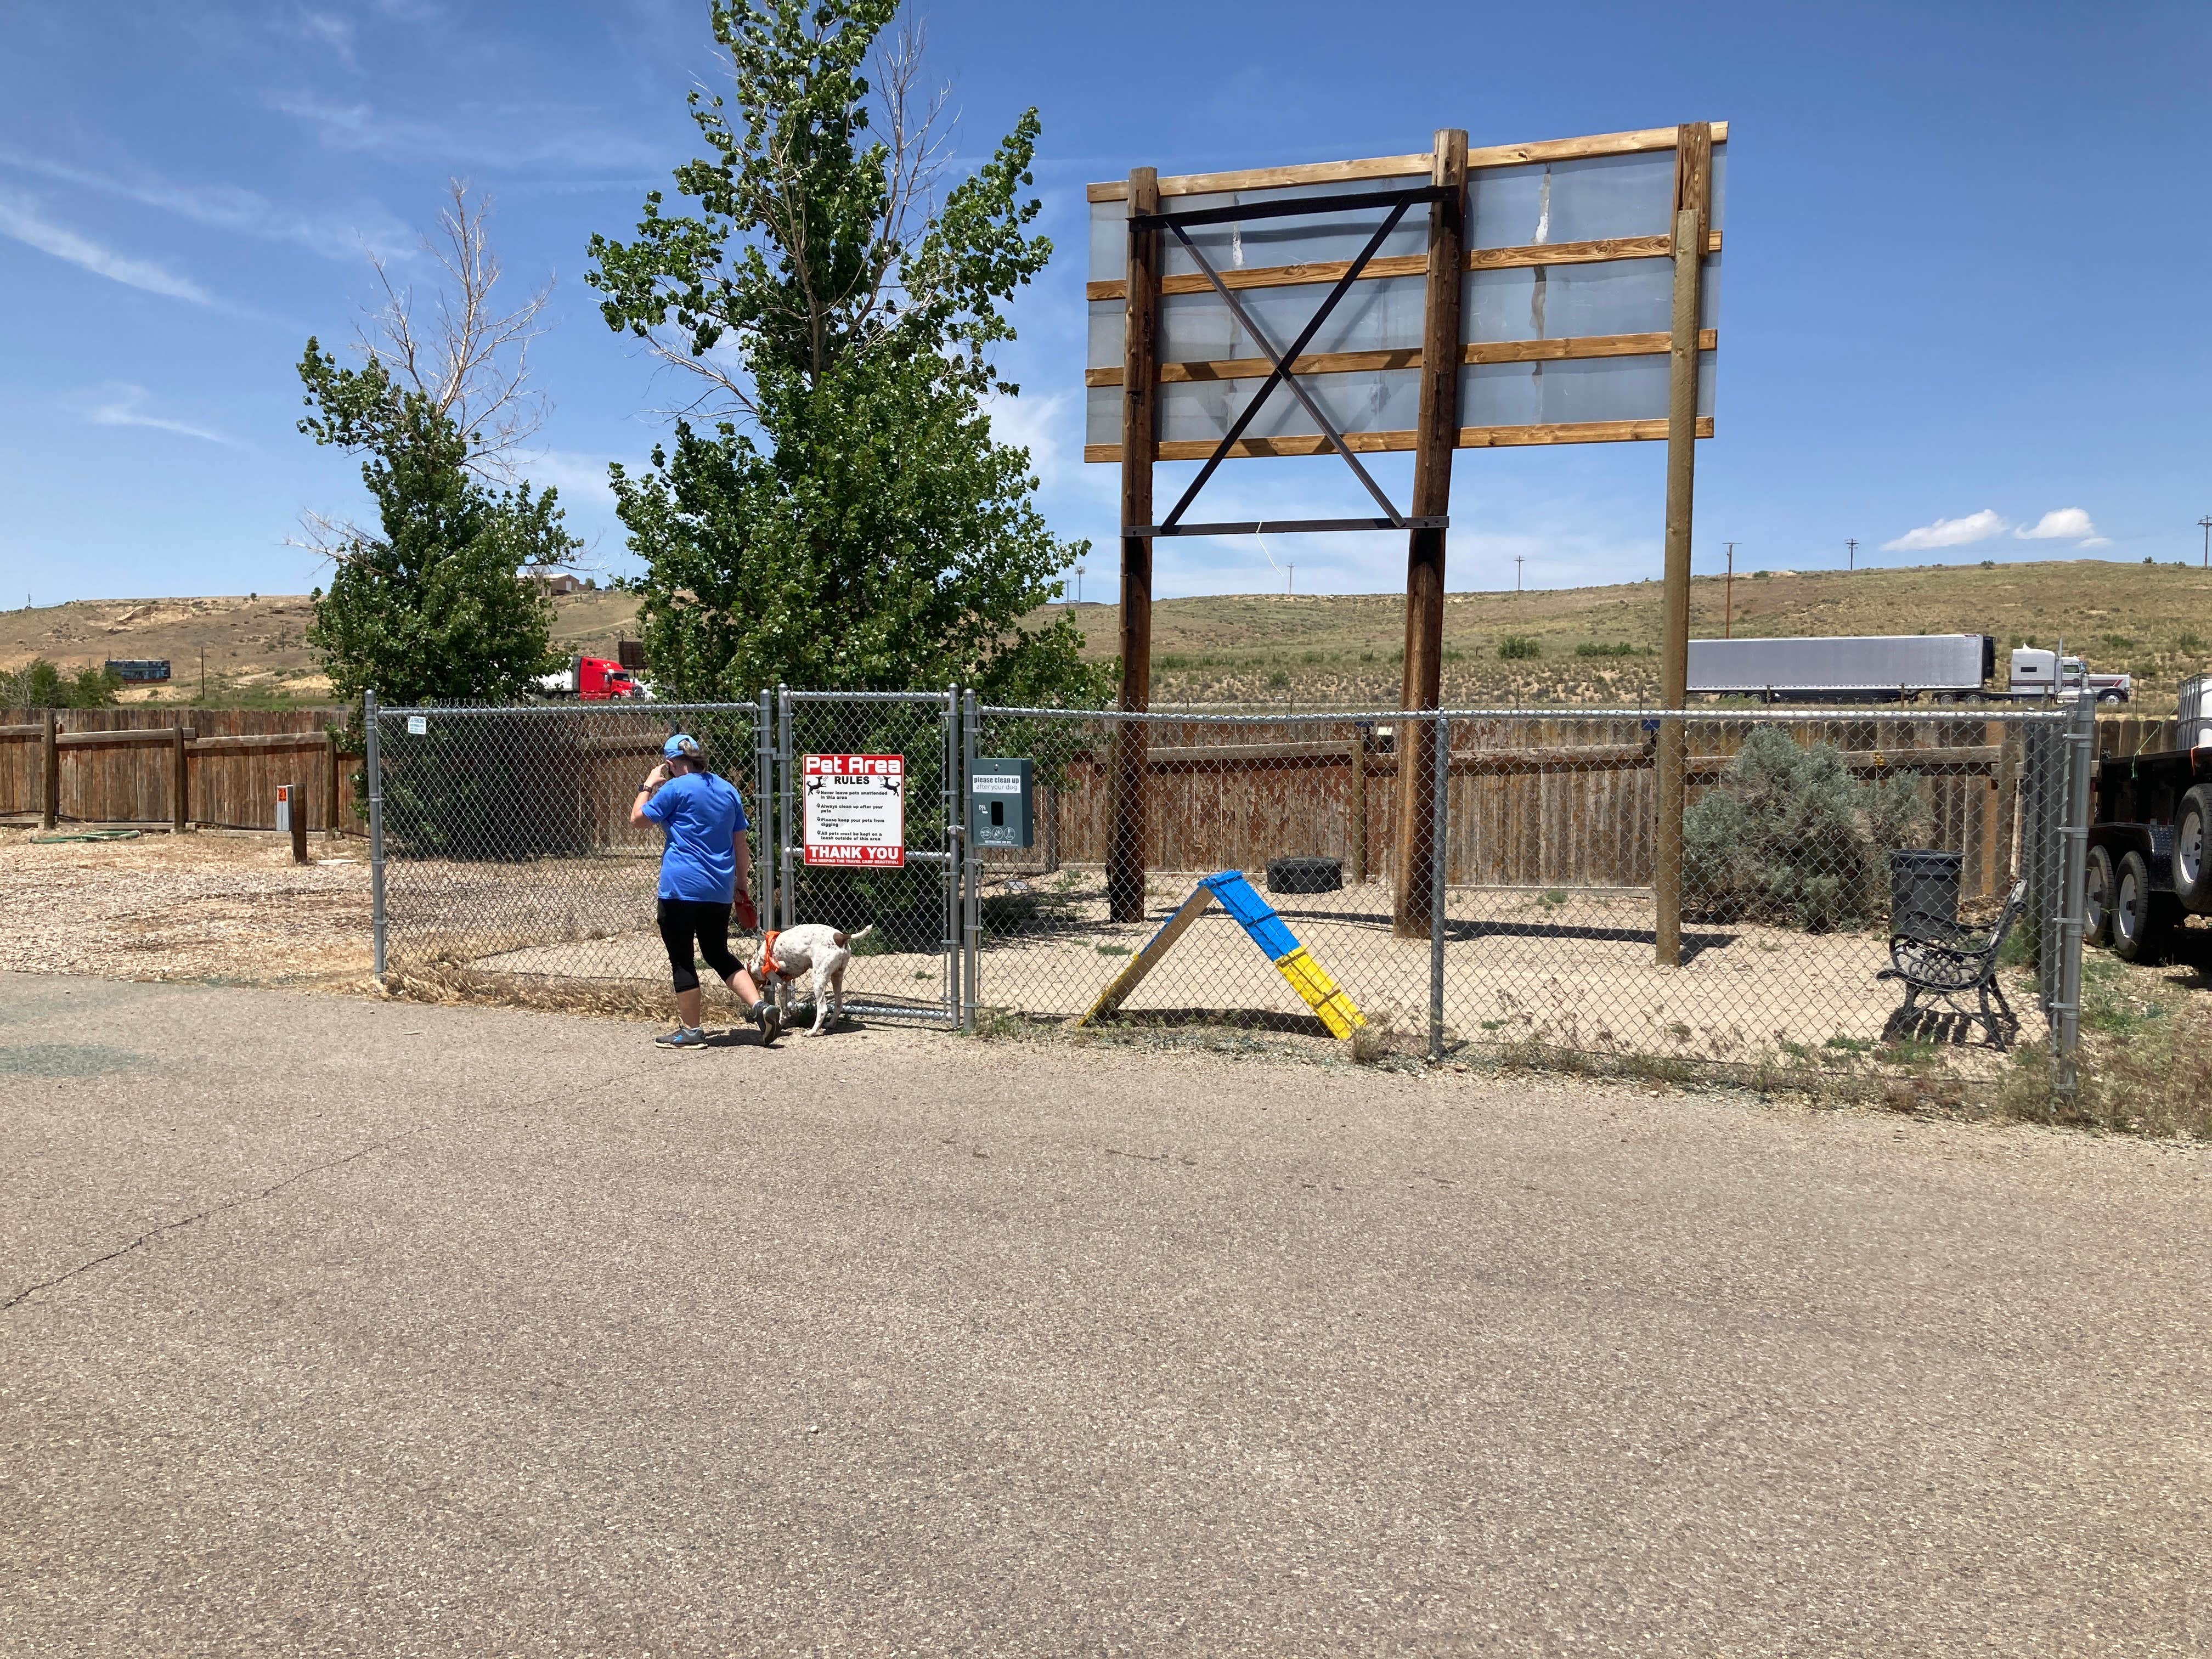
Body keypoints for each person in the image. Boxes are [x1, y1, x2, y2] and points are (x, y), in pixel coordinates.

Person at [630, 732, 779, 1048]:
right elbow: (741, 846)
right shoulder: (727, 790)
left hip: (680, 889)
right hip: (719, 890)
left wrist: (647, 786)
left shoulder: (673, 788)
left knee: (683, 959)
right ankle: (760, 1007)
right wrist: (741, 886)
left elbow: (638, 820)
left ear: (671, 763)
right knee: (717, 952)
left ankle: (692, 1032)